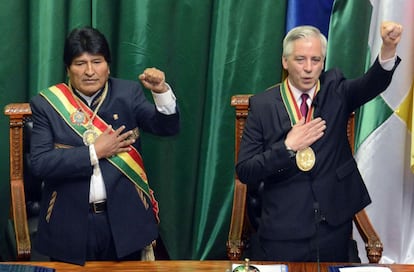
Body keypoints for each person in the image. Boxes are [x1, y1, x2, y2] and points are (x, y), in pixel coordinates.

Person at [236, 21, 402, 262]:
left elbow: (372, 82)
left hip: (332, 228)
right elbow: (246, 171)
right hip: (283, 231)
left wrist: (388, 47)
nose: (308, 68)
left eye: (315, 60)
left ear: (322, 63)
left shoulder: (336, 91)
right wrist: (287, 147)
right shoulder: (262, 106)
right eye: (300, 59)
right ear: (285, 62)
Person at [29, 27, 179, 265]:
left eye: (97, 62)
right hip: (69, 222)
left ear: (108, 66)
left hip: (125, 220)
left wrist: (161, 93)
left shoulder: (127, 93)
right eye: (80, 63)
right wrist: (94, 152)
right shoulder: (47, 104)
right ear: (67, 68)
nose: (89, 71)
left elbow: (166, 127)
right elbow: (40, 163)